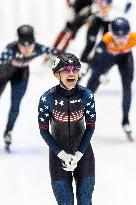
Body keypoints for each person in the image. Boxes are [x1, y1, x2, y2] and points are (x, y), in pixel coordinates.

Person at [38, 53, 96, 205]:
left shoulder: (86, 95)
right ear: (57, 74)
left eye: (75, 69)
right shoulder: (47, 98)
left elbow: (90, 127)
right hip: (58, 156)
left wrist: (79, 154)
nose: (71, 73)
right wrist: (61, 154)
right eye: (66, 70)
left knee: (85, 200)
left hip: (83, 155)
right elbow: (44, 130)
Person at [0, 24, 59, 149]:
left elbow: (59, 54)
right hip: (3, 74)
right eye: (23, 46)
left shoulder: (39, 48)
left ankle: (8, 132)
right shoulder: (10, 50)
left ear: (34, 43)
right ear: (18, 43)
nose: (27, 49)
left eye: (30, 46)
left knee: (15, 105)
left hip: (21, 76)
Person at [87, 17, 136, 140]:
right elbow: (95, 63)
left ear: (129, 34)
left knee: (127, 86)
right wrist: (101, 74)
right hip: (107, 58)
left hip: (125, 58)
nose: (121, 41)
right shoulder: (105, 41)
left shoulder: (133, 37)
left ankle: (125, 120)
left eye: (124, 37)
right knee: (93, 83)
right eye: (117, 37)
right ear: (111, 34)